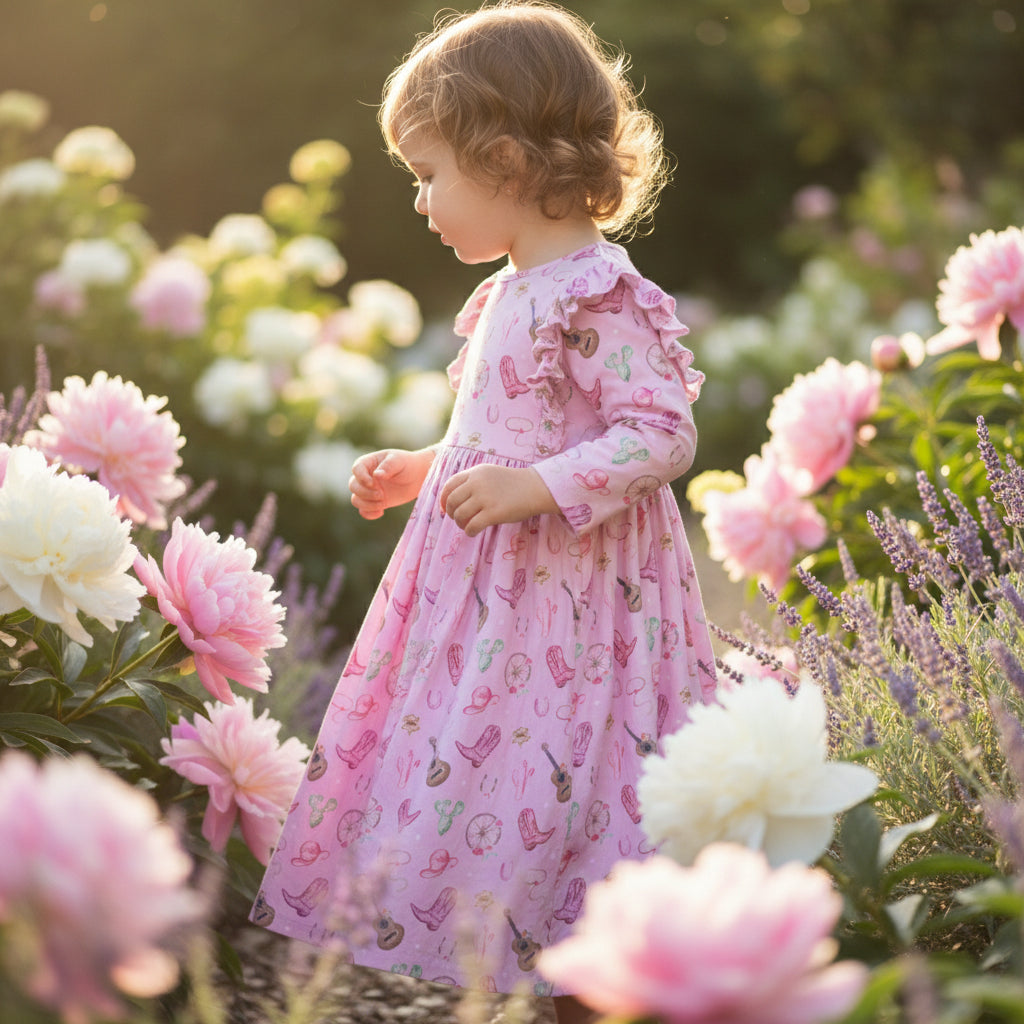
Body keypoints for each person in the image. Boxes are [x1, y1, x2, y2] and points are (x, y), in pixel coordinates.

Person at [252, 3, 718, 1021]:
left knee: (569, 767)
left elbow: (661, 433)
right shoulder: (508, 294)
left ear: (503, 159)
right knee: (495, 769)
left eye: (427, 174)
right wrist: (426, 469)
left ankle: (593, 973)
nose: (420, 202)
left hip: (576, 610)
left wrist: (536, 490)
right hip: (499, 610)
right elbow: (511, 429)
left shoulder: (595, 291)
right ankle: (532, 962)